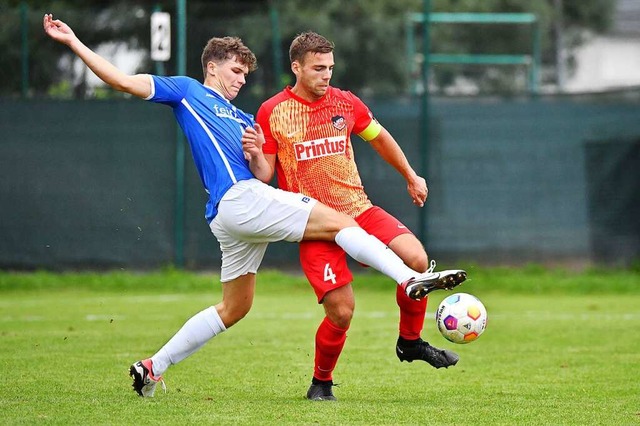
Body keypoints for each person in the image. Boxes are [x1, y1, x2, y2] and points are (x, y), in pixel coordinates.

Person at [43, 15, 466, 398]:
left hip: (235, 215)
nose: (241, 79)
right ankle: (410, 279)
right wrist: (75, 42)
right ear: (212, 66)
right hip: (238, 201)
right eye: (235, 70)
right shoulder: (188, 92)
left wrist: (255, 152)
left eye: (245, 73)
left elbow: (263, 172)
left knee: (235, 307)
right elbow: (122, 81)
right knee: (336, 220)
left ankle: (153, 367)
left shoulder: (246, 119)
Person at [255, 31, 466, 401]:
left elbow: (380, 137)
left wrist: (411, 176)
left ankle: (411, 342)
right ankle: (321, 382)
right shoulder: (273, 111)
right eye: (318, 68)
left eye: (330, 68)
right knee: (342, 312)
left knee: (416, 259)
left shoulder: (346, 103)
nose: (326, 75)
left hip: (359, 210)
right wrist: (254, 153)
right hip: (315, 226)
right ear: (296, 67)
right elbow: (265, 175)